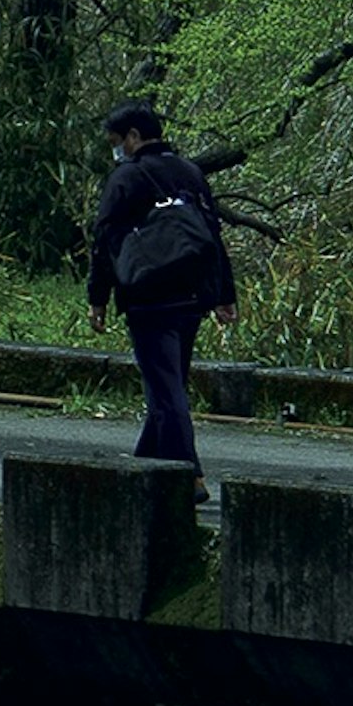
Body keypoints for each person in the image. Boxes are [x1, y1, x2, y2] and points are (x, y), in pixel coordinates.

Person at [85, 96, 236, 470]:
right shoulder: (190, 172)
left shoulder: (126, 178)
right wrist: (224, 295)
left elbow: (104, 241)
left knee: (165, 391)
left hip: (149, 295)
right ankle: (144, 468)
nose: (117, 151)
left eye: (116, 142)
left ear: (133, 136)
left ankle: (187, 474)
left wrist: (97, 298)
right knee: (170, 384)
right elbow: (213, 236)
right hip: (192, 296)